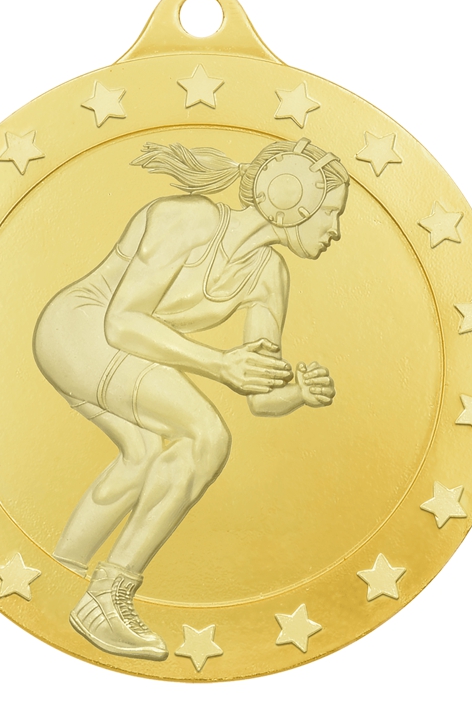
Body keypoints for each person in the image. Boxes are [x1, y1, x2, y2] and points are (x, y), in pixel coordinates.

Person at [33, 137, 348, 660]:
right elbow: (121, 322)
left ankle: (59, 571)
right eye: (332, 211)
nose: (336, 229)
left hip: (116, 352)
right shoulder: (189, 219)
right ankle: (107, 596)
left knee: (143, 457)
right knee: (205, 435)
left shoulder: (269, 275)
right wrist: (220, 365)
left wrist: (298, 392)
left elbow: (259, 398)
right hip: (78, 330)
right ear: (293, 195)